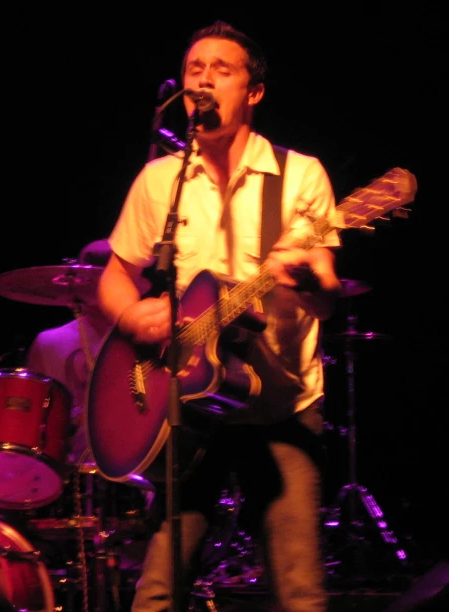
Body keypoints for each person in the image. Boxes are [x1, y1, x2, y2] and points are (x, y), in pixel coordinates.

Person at [94, 20, 343, 612]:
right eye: (194, 70)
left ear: (252, 92)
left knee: (300, 592)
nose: (203, 79)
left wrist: (313, 282)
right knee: (157, 590)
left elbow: (326, 295)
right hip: (190, 403)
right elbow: (115, 274)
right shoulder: (162, 179)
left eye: (221, 70)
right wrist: (134, 321)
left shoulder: (301, 175)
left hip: (281, 405)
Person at [25, 238, 116, 467]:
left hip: (133, 468)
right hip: (67, 471)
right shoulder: (49, 342)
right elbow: (33, 420)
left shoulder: (144, 338)